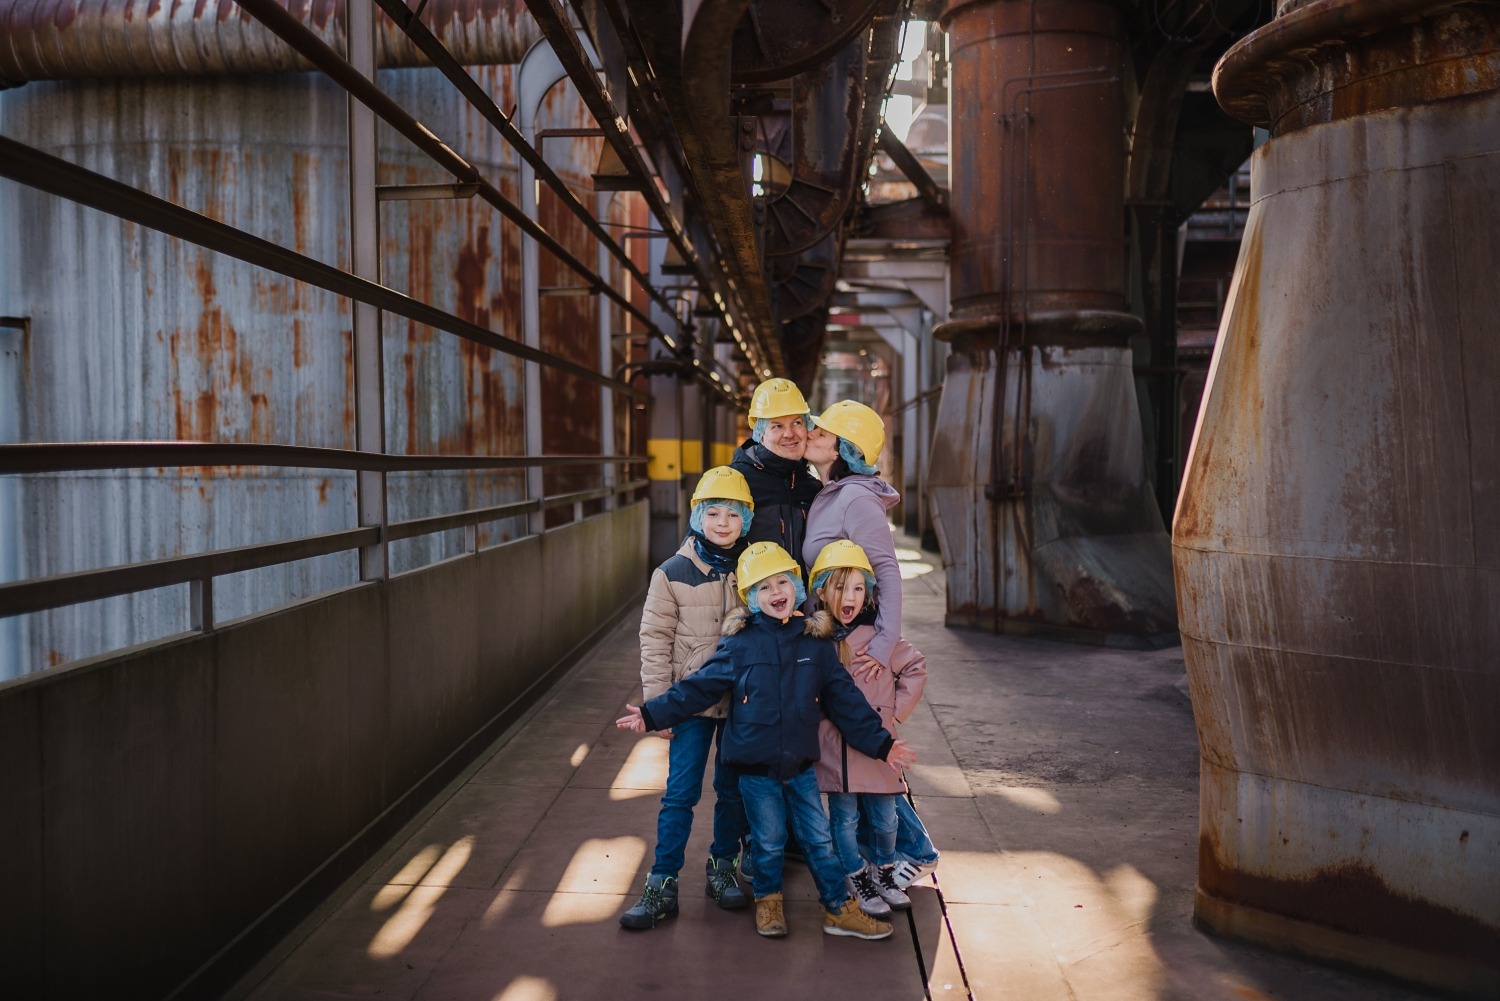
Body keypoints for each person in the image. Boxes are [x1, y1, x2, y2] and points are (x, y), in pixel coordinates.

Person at [616, 542, 918, 941]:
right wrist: (653, 712)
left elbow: (848, 703)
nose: (775, 592)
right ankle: (768, 901)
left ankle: (838, 909)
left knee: (819, 840)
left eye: (781, 582)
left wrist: (883, 744)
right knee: (769, 842)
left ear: (796, 586)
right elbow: (699, 688)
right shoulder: (739, 646)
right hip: (755, 771)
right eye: (762, 587)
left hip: (801, 769)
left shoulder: (816, 646)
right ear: (750, 599)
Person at [803, 400, 942, 886]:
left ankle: (903, 854)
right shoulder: (834, 492)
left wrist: (883, 647)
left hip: (859, 645)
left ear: (844, 447)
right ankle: (884, 857)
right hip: (835, 637)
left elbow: (887, 572)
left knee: (864, 750)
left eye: (822, 431)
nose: (810, 433)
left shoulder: (855, 499)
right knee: (852, 753)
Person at [619, 466, 755, 930]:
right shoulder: (671, 572)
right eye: (712, 513)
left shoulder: (755, 569)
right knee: (679, 793)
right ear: (697, 516)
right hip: (690, 701)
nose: (722, 523)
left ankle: (722, 867)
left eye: (732, 515)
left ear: (746, 520)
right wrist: (660, 704)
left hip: (741, 703)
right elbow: (654, 638)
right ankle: (662, 882)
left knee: (731, 791)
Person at [809, 540, 928, 918]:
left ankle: (885, 873)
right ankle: (856, 876)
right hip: (837, 749)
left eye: (859, 588)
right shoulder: (816, 641)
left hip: (879, 744)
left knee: (885, 817)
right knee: (843, 818)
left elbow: (915, 668)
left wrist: (895, 713)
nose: (850, 596)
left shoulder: (882, 639)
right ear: (821, 592)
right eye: (840, 587)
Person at [731, 378, 821, 569]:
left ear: (807, 428)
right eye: (777, 426)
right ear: (760, 434)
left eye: (797, 422)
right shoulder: (736, 481)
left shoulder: (812, 488)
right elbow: (697, 550)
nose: (789, 434)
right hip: (750, 598)